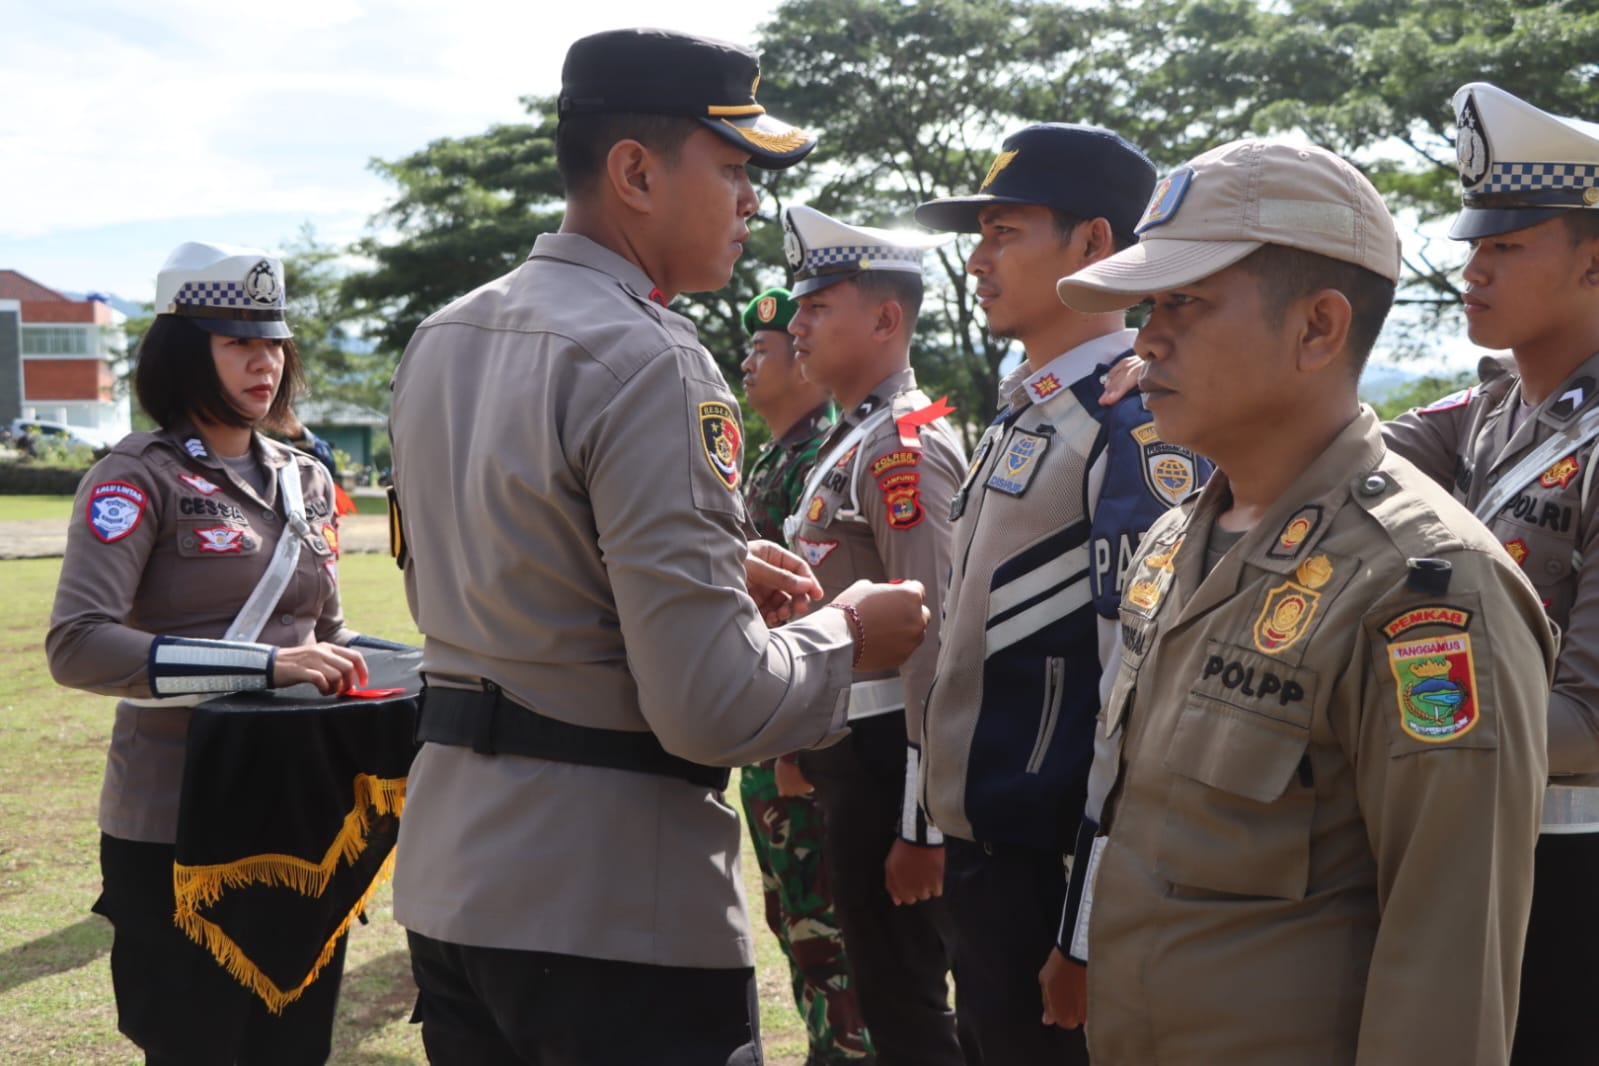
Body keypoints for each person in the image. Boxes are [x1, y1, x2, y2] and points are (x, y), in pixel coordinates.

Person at [385, 29, 930, 1065]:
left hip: (456, 879)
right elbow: (709, 705)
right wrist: (846, 632)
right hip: (610, 905)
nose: (752, 205)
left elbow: (513, 571)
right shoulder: (649, 356)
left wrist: (718, 568)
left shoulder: (446, 333)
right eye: (732, 171)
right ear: (635, 171)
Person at [1049, 139, 1554, 1063]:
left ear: (1318, 328)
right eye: (1145, 304)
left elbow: (1446, 964)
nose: (1145, 336)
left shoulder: (1425, 586)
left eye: (1184, 302)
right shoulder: (1177, 541)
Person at [46, 240, 396, 1064]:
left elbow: (327, 636)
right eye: (238, 341)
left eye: (273, 341)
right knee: (197, 1044)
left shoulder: (304, 478)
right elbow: (77, 645)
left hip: (302, 812)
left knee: (295, 1043)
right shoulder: (136, 477)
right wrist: (264, 667)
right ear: (184, 351)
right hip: (176, 817)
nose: (264, 361)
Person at [910, 122, 1205, 1065]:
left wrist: (1080, 933)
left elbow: (1135, 692)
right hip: (986, 863)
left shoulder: (1129, 422)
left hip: (1052, 876)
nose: (978, 259)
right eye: (979, 234)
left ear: (1094, 245)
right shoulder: (1029, 408)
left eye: (1006, 232)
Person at [1380, 83, 1599, 1063]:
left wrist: (1379, 721)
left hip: (1574, 871)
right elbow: (1336, 457)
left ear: (1594, 259)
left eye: (1506, 246)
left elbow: (1588, 723)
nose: (1472, 269)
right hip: (1478, 841)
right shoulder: (1492, 411)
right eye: (1475, 243)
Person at [780, 202, 970, 1066]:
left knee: (904, 1005)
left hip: (891, 757)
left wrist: (922, 823)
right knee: (878, 989)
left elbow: (930, 636)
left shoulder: (901, 447)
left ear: (885, 319)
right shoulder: (853, 438)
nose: (796, 324)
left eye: (818, 307)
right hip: (850, 752)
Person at [735, 286, 873, 1065]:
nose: (750, 362)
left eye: (768, 349)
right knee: (796, 927)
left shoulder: (822, 456)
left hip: (799, 736)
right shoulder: (774, 458)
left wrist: (793, 745)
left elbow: (810, 606)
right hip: (767, 729)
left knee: (829, 939)